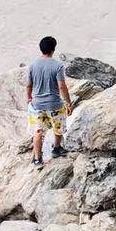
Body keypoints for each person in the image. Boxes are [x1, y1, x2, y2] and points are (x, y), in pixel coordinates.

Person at [27, 35, 73, 168]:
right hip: (55, 105)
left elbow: (29, 85)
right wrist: (68, 103)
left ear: (41, 49)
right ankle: (57, 148)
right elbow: (61, 86)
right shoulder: (58, 65)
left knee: (38, 131)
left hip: (37, 105)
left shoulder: (32, 65)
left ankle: (37, 158)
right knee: (58, 127)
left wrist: (29, 98)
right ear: (53, 49)